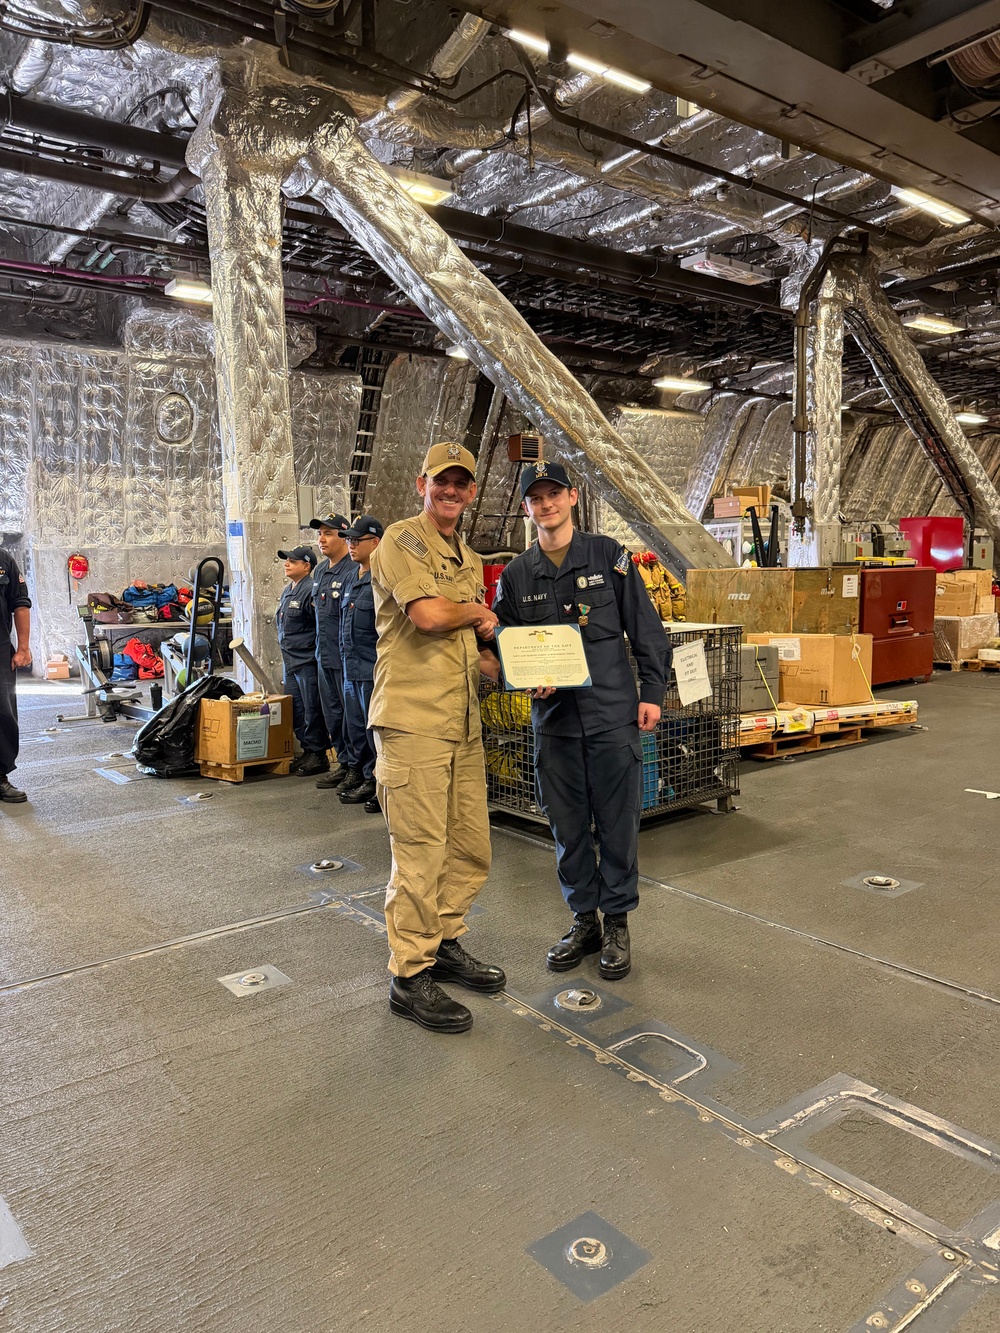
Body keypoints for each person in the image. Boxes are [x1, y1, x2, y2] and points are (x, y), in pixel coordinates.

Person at [492, 462, 670, 980]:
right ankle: (583, 919)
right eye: (535, 498)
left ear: (572, 497)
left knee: (617, 824)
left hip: (613, 714)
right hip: (555, 722)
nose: (545, 504)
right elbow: (503, 641)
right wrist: (523, 676)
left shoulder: (607, 555)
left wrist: (653, 692)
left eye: (553, 494)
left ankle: (616, 922)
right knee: (567, 826)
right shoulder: (517, 574)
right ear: (526, 508)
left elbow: (645, 625)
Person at [368, 441, 504, 1035]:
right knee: (420, 850)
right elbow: (426, 617)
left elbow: (468, 648)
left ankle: (444, 939)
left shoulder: (469, 560)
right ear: (422, 483)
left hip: (461, 723)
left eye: (461, 483)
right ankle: (409, 974)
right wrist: (477, 616)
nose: (450, 491)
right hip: (412, 721)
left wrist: (515, 667)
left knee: (470, 845)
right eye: (440, 482)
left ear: (471, 492)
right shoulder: (402, 540)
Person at [337, 515, 383, 813]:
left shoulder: (382, 579)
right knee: (356, 727)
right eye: (349, 540)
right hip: (351, 668)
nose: (351, 545)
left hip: (372, 668)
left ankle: (379, 784)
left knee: (375, 732)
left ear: (375, 542)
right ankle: (366, 774)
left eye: (357, 540)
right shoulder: (353, 577)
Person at [307, 512, 354, 791]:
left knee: (352, 717)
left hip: (345, 658)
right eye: (320, 533)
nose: (321, 539)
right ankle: (344, 763)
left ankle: (358, 767)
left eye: (328, 533)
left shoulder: (352, 570)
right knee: (333, 715)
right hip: (323, 655)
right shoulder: (321, 571)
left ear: (344, 536)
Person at [276, 545, 329, 777]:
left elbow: (320, 627)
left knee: (311, 710)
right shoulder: (288, 590)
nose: (287, 564)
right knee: (297, 710)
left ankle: (318, 754)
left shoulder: (311, 589)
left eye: (292, 561)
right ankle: (308, 751)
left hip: (307, 662)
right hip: (290, 661)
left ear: (306, 566)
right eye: (286, 560)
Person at [0, 548, 31, 803]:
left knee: (4, 714)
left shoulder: (4, 559)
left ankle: (0, 776)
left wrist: (23, 647)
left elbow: (20, 604)